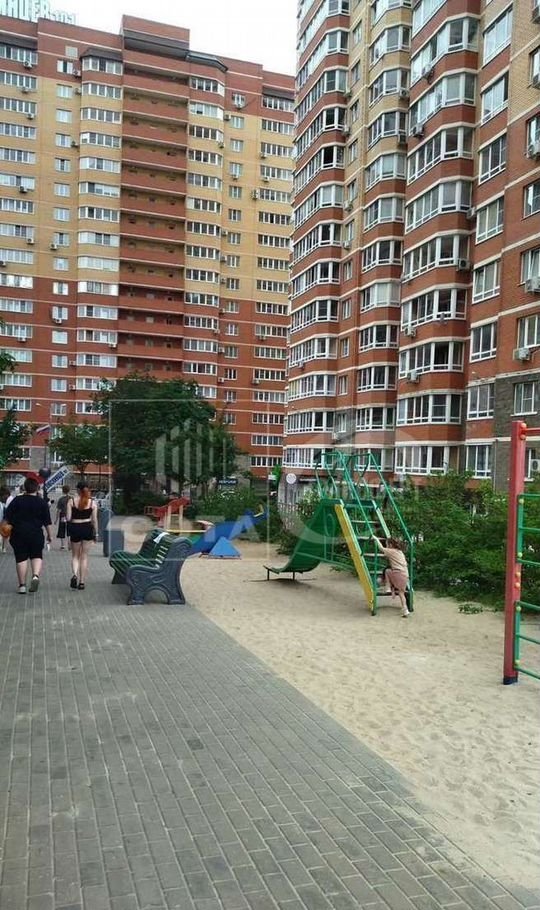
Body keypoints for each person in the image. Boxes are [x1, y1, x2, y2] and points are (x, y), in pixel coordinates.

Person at [4, 477, 53, 594]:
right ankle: (35, 576)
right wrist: (50, 535)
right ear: (37, 488)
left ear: (25, 487)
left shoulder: (17, 500)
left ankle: (22, 586)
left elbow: (7, 517)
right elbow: (47, 522)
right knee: (37, 556)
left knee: (21, 559)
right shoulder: (42, 502)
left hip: (18, 534)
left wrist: (4, 530)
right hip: (36, 534)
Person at [66, 481, 98, 590]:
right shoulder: (92, 503)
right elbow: (94, 520)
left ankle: (75, 574)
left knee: (75, 556)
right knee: (84, 557)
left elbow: (68, 518)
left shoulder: (71, 501)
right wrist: (96, 533)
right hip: (87, 529)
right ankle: (82, 582)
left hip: (75, 528)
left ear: (78, 490)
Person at [373, 535, 411, 618]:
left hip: (398, 574)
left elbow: (381, 548)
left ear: (390, 545)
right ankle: (405, 610)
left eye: (387, 544)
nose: (386, 546)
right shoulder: (400, 552)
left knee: (387, 571)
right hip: (405, 576)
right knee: (401, 593)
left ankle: (388, 587)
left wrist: (376, 539)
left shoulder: (391, 551)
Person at [55, 484, 71, 550]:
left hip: (63, 516)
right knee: (69, 529)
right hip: (70, 516)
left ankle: (62, 545)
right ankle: (69, 543)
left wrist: (56, 520)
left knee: (62, 529)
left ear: (62, 491)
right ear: (69, 490)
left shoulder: (61, 499)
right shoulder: (71, 498)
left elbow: (58, 510)